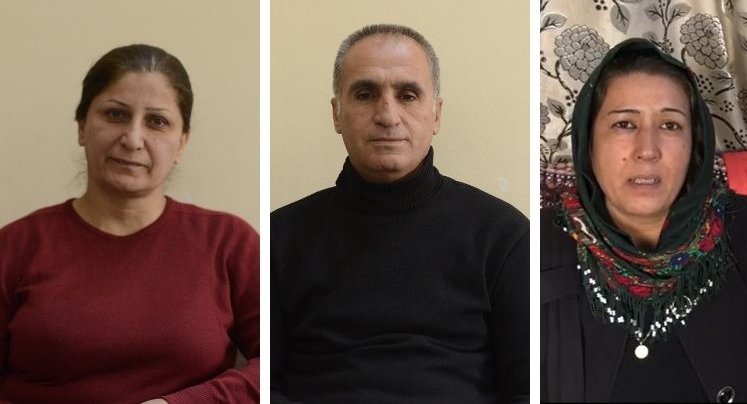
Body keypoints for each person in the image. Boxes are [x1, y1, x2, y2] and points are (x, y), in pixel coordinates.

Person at [271, 24, 530, 403]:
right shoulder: (281, 238)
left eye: (407, 95)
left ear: (436, 115)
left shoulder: (503, 237)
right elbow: (263, 383)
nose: (387, 115)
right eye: (365, 94)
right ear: (337, 114)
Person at [541, 38, 747, 402]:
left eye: (670, 125)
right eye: (624, 124)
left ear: (694, 144)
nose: (647, 150)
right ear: (589, 142)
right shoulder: (541, 244)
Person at [0, 44, 259, 403]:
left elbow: (277, 363)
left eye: (157, 122)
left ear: (182, 143)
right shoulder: (15, 247)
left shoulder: (229, 243)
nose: (133, 139)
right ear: (82, 127)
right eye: (115, 114)